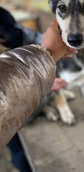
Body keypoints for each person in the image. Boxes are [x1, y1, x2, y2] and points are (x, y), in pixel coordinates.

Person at [0, 19, 75, 149]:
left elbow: (20, 33)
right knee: (21, 153)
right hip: (15, 125)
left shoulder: (4, 18)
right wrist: (46, 58)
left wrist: (46, 42)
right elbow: (8, 110)